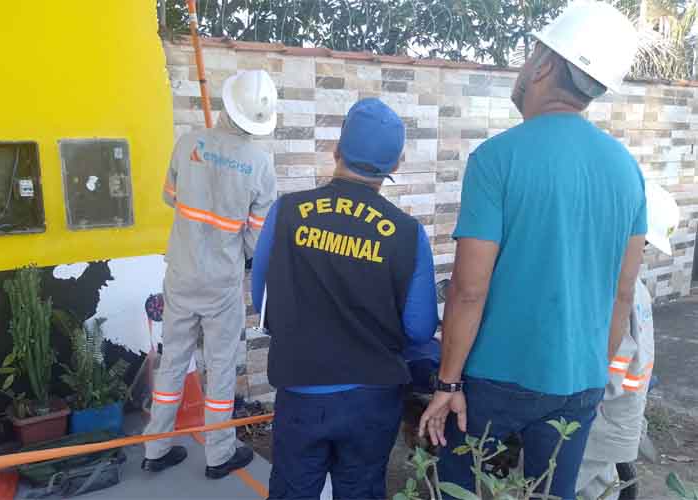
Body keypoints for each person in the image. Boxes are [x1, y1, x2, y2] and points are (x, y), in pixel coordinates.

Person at [418, 3, 645, 499]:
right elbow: (623, 294)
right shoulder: (627, 170)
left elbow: (469, 290)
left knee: (460, 485)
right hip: (580, 382)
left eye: (529, 56)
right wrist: (590, 376)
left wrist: (448, 385)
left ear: (543, 64)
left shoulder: (497, 159)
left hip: (494, 379)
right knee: (551, 494)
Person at [252, 98, 439, 499]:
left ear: (336, 150)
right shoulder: (407, 233)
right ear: (396, 164)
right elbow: (420, 327)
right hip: (371, 400)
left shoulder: (286, 212)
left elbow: (262, 304)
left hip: (301, 393)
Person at [141, 69, 278, 479]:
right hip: (221, 283)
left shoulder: (187, 144)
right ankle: (218, 455)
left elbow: (170, 197)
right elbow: (258, 240)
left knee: (173, 361)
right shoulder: (260, 164)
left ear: (226, 103)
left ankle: (155, 448)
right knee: (220, 365)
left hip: (181, 273)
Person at [576, 181, 680, 500]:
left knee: (558, 484)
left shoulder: (610, 287)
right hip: (620, 412)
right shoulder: (635, 289)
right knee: (600, 485)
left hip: (602, 412)